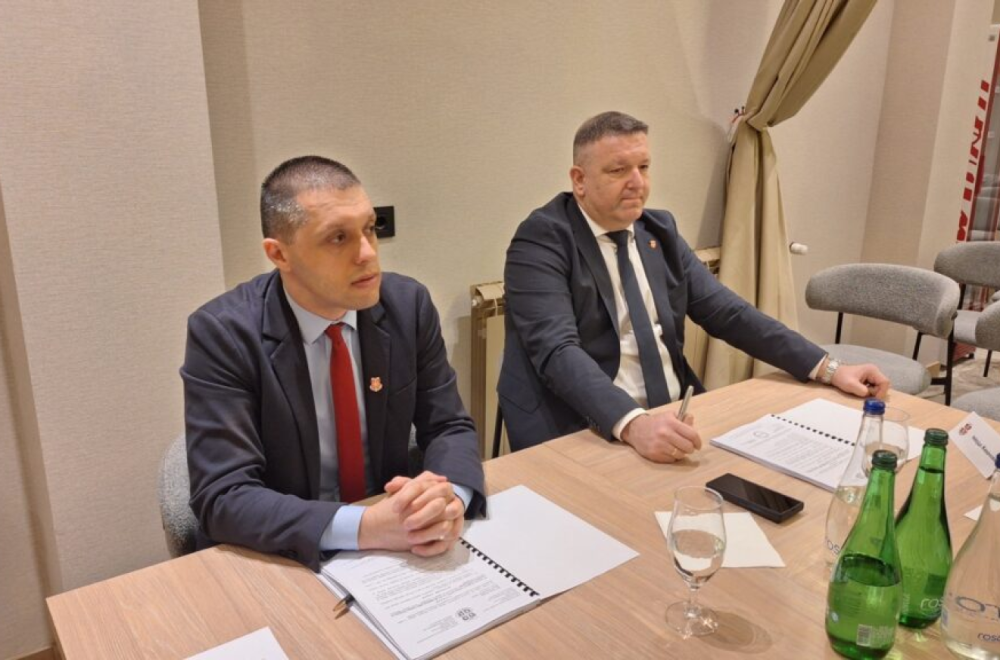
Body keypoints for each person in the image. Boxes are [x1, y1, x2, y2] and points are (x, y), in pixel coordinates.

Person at [499, 111, 889, 463]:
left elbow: (727, 312)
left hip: (673, 414)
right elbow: (558, 351)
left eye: (644, 167)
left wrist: (829, 368)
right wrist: (633, 424)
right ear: (579, 180)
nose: (638, 183)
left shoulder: (658, 230)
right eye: (618, 170)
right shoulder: (542, 240)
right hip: (583, 425)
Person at [181, 156, 485, 571]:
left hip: (392, 551)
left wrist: (449, 501)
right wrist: (366, 526)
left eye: (370, 228)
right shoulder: (223, 333)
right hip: (279, 556)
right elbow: (223, 496)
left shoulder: (407, 306)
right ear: (279, 254)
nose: (368, 254)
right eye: (338, 238)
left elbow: (448, 425)